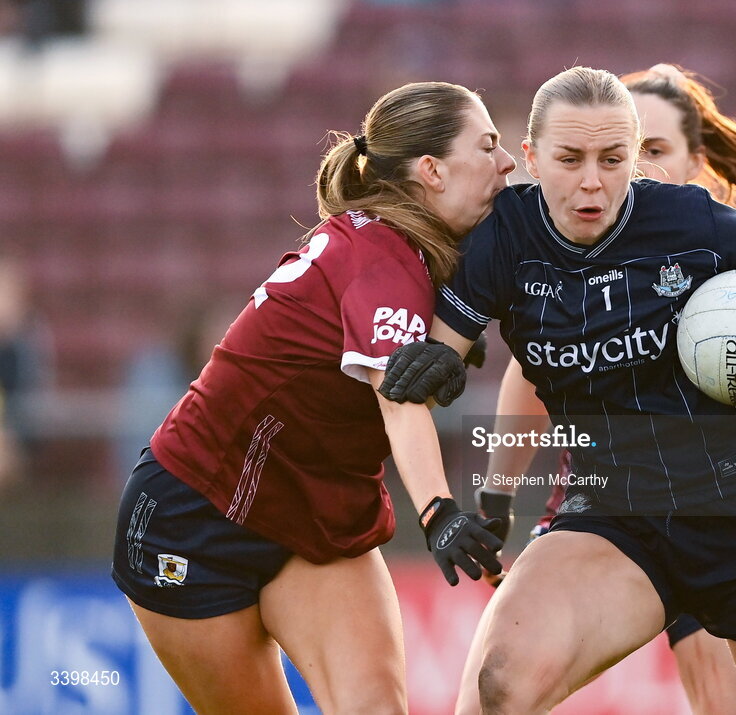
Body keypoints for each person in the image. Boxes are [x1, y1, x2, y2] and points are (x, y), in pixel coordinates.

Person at [380, 66, 736, 712]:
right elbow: (475, 363)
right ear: (531, 158)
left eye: (612, 160)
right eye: (569, 158)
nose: (590, 181)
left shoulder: (688, 219)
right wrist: (479, 469)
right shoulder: (504, 239)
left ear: (632, 159)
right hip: (614, 513)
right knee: (499, 686)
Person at [110, 81, 516, 714]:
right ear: (432, 170)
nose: (507, 161)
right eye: (487, 145)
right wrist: (439, 512)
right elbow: (398, 397)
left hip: (319, 514)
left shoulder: (415, 252)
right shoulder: (386, 259)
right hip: (196, 516)